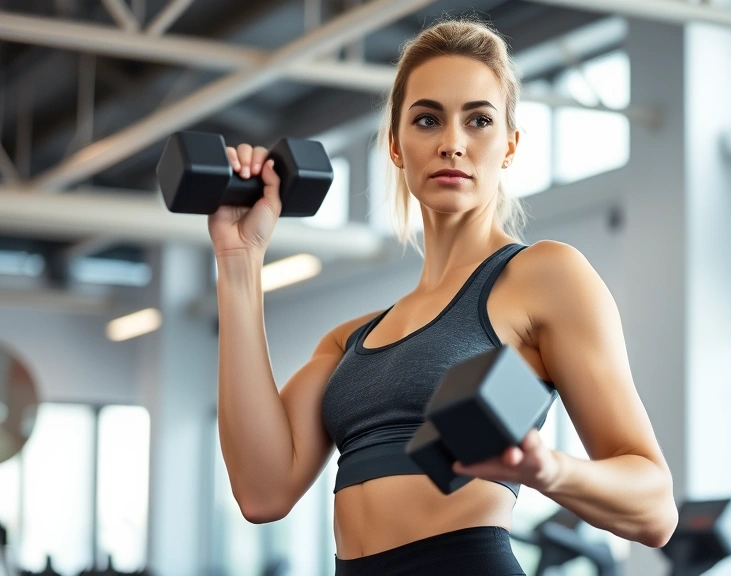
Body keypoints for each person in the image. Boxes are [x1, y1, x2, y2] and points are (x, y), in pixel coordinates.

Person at [211, 17, 677, 576]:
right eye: (427, 119)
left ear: (509, 145)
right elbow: (263, 494)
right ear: (395, 145)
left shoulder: (545, 275)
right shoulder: (349, 339)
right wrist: (239, 262)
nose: (452, 143)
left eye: (478, 120)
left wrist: (546, 469)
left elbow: (655, 509)